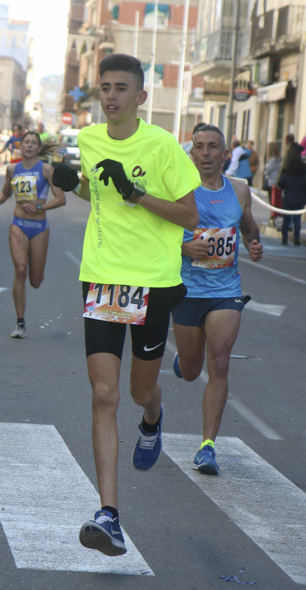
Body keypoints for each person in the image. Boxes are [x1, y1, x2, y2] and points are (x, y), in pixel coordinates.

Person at [50, 53, 199, 557]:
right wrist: (76, 183)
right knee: (103, 394)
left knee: (139, 392)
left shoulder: (161, 146)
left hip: (153, 282)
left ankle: (154, 416)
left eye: (121, 88)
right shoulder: (89, 140)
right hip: (104, 280)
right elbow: (101, 192)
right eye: (104, 87)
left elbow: (188, 215)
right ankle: (108, 515)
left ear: (140, 96)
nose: (111, 95)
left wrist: (137, 192)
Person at [169, 123, 262, 475]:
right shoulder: (180, 189)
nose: (205, 153)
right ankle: (184, 362)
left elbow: (248, 226)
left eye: (212, 147)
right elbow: (156, 233)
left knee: (220, 361)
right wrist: (182, 246)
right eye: (199, 147)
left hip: (225, 290)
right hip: (187, 289)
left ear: (225, 154)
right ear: (190, 153)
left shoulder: (239, 189)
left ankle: (207, 446)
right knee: (193, 372)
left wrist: (253, 243)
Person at [0, 131, 66, 338]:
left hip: (40, 228)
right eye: (26, 142)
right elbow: (5, 193)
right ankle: (20, 322)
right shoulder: (12, 169)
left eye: (34, 143)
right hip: (18, 224)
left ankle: (23, 312)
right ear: (20, 146)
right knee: (20, 269)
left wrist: (40, 208)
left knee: (35, 281)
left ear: (39, 149)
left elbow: (61, 199)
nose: (30, 146)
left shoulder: (47, 170)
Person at [277, 142, 306, 245]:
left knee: (286, 220)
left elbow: (280, 183)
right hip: (300, 199)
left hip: (288, 198)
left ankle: (284, 238)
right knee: (297, 220)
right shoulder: (304, 173)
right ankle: (296, 238)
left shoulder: (287, 172)